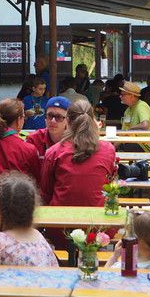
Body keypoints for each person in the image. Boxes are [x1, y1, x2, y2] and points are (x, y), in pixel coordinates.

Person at [40, 99, 117, 247]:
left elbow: (46, 192)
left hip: (60, 228)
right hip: (98, 228)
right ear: (93, 120)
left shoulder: (54, 152)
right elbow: (111, 186)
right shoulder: (108, 149)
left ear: (67, 121)